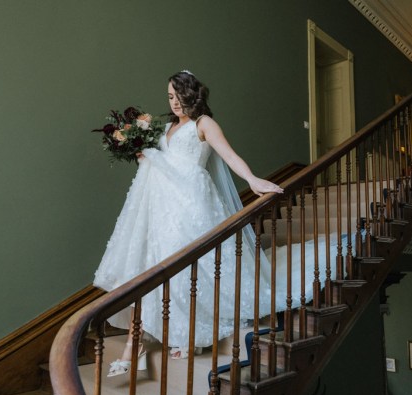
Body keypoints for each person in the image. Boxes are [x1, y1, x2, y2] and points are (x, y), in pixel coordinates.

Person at [93, 71, 283, 377]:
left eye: (179, 95)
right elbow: (160, 161)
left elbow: (229, 156)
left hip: (191, 203)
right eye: (170, 96)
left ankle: (164, 341)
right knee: (151, 266)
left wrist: (252, 179)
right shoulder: (166, 126)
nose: (175, 102)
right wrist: (142, 154)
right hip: (161, 204)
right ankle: (139, 345)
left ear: (192, 94)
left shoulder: (204, 124)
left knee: (190, 269)